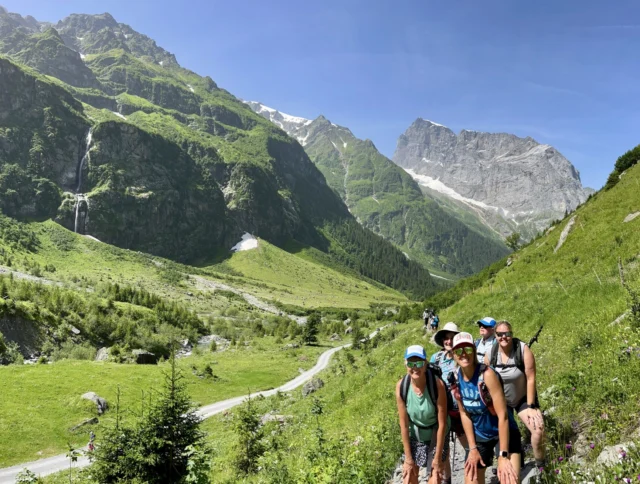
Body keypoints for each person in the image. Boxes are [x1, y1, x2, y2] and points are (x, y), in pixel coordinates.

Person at [450, 332, 520, 484]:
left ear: (474, 351)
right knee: (472, 479)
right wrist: (472, 449)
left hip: (505, 431)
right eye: (458, 351)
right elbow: (464, 414)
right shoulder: (456, 378)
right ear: (453, 355)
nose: (464, 354)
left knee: (510, 480)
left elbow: (503, 416)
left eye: (467, 349)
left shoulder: (487, 375)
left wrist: (502, 455)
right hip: (481, 435)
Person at [485, 321, 546, 471]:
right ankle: (506, 463)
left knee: (538, 430)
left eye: (507, 334)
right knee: (502, 436)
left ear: (512, 334)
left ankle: (541, 466)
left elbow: (531, 378)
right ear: (495, 335)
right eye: (500, 334)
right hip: (501, 402)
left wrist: (531, 406)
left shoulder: (523, 350)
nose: (503, 337)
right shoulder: (490, 354)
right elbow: (485, 379)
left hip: (522, 399)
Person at [396, 345, 450, 484]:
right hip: (416, 435)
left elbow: (442, 423)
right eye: (411, 363)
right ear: (405, 364)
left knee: (435, 478)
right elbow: (404, 425)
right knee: (408, 477)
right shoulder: (402, 386)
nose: (415, 367)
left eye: (419, 362)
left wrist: (437, 459)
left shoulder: (437, 385)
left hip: (436, 435)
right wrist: (408, 459)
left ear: (425, 364)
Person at [431, 322, 468, 480]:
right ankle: (447, 480)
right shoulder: (436, 358)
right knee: (443, 452)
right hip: (442, 413)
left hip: (461, 411)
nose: (448, 341)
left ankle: (470, 477)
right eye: (446, 338)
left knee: (469, 447)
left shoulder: (463, 356)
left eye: (452, 338)